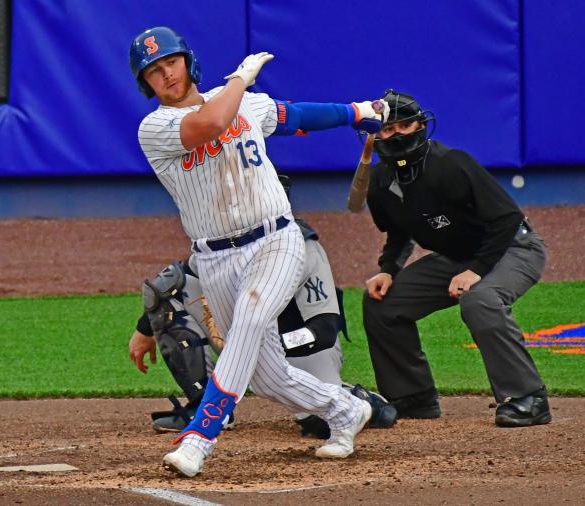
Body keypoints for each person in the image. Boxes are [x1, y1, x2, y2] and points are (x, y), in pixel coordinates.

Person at [129, 26, 389, 477]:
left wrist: (359, 111)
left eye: (171, 61)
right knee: (267, 377)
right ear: (146, 83)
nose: (166, 74)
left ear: (188, 61)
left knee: (250, 319)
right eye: (154, 70)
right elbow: (209, 123)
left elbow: (298, 115)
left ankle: (199, 438)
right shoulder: (156, 128)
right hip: (214, 259)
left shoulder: (244, 102)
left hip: (274, 240)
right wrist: (241, 79)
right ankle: (344, 409)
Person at [128, 199, 397, 438]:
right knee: (166, 288)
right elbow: (178, 282)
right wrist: (145, 329)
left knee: (320, 425)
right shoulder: (223, 244)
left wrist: (271, 346)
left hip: (301, 349)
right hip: (244, 340)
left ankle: (357, 400)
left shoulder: (304, 247)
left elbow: (324, 330)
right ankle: (207, 408)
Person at [361, 89, 551, 428]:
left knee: (480, 301)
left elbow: (507, 219)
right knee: (382, 303)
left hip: (512, 247)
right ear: (375, 135)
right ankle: (413, 396)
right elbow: (399, 231)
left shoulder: (450, 164)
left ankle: (528, 398)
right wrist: (388, 269)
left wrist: (476, 271)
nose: (396, 134)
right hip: (458, 257)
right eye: (387, 129)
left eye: (403, 125)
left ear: (420, 124)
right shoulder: (381, 180)